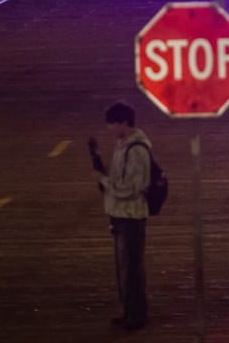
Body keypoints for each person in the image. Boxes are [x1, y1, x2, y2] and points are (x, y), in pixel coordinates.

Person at [91, 102, 151, 330]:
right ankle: (131, 312)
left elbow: (134, 186)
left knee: (131, 270)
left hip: (131, 216)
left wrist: (105, 182)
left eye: (113, 124)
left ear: (124, 122)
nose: (110, 129)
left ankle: (136, 315)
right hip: (121, 215)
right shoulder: (123, 145)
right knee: (125, 269)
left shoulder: (136, 149)